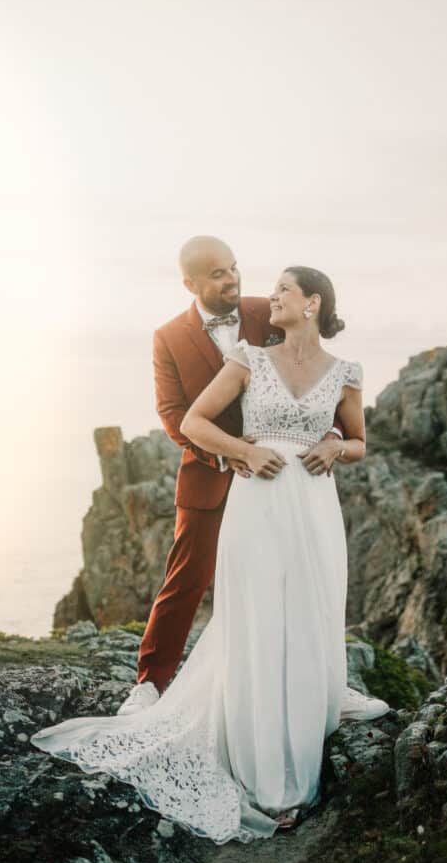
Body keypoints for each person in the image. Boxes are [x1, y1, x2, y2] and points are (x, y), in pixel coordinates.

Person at [30, 265, 390, 843]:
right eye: (269, 290)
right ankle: (269, 779)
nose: (268, 296)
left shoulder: (347, 373)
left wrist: (334, 445)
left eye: (282, 291)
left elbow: (359, 441)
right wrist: (241, 453)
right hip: (257, 500)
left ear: (312, 303)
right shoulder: (249, 358)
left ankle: (308, 720)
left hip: (314, 508)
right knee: (257, 618)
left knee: (308, 613)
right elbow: (194, 421)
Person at [114, 236, 346, 713]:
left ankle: (316, 687)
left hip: (283, 478)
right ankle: (149, 685)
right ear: (191, 283)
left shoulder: (273, 310)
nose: (232, 279)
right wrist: (229, 456)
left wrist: (335, 436)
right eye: (218, 274)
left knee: (299, 577)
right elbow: (174, 413)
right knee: (186, 580)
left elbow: (318, 380)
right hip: (210, 474)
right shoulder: (168, 337)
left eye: (234, 268)